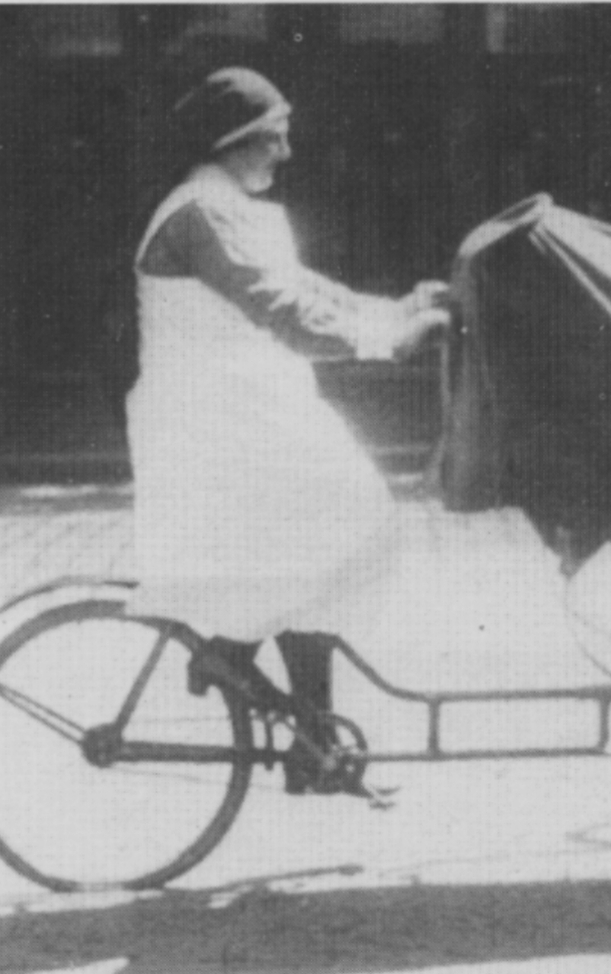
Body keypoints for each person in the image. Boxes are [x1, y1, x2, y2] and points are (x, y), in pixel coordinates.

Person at [125, 67, 450, 794]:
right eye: (272, 137)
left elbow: (307, 290)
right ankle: (230, 654)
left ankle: (313, 741)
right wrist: (388, 340)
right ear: (231, 141)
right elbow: (285, 314)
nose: (285, 151)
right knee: (349, 522)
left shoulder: (226, 206)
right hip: (213, 418)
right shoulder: (202, 214)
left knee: (323, 550)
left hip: (252, 406)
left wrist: (396, 308)